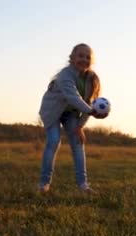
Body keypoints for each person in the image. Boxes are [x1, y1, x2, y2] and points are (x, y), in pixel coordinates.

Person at [38, 43, 103, 193]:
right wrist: (92, 111)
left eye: (88, 57)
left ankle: (83, 185)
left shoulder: (91, 79)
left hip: (70, 114)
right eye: (80, 55)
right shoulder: (65, 75)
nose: (84, 59)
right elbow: (73, 98)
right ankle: (44, 184)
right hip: (52, 111)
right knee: (54, 141)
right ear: (72, 58)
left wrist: (80, 126)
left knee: (78, 142)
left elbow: (88, 103)